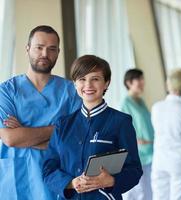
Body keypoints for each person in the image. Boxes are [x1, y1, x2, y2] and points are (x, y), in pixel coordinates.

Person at [42, 55, 143, 200]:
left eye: (95, 79)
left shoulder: (121, 122)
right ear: (75, 84)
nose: (88, 85)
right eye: (82, 79)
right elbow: (48, 169)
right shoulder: (63, 124)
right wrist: (71, 183)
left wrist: (111, 181)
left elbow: (134, 169)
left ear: (106, 83)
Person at [0, 25, 81, 199]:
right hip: (17, 179)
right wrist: (59, 129)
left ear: (58, 52)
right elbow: (10, 138)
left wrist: (25, 134)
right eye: (39, 47)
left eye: (52, 49)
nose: (45, 54)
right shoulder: (6, 91)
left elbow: (75, 141)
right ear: (28, 49)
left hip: (57, 178)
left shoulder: (71, 92)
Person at [151, 68, 181, 200]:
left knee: (159, 197)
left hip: (159, 160)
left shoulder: (156, 108)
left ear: (168, 84)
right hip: (179, 161)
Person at [121, 69, 154, 200]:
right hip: (138, 154)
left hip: (151, 151)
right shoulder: (125, 103)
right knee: (138, 192)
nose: (142, 82)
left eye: (142, 79)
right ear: (129, 83)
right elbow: (123, 130)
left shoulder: (141, 101)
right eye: (138, 79)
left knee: (149, 190)